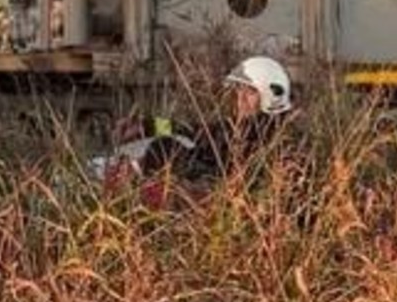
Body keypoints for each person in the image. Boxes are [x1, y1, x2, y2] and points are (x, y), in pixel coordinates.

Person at [97, 56, 294, 202]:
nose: (240, 99)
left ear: (271, 95)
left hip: (224, 207)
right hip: (212, 202)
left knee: (164, 150)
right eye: (238, 91)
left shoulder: (275, 136)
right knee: (164, 148)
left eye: (250, 92)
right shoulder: (237, 126)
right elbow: (190, 130)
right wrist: (147, 125)